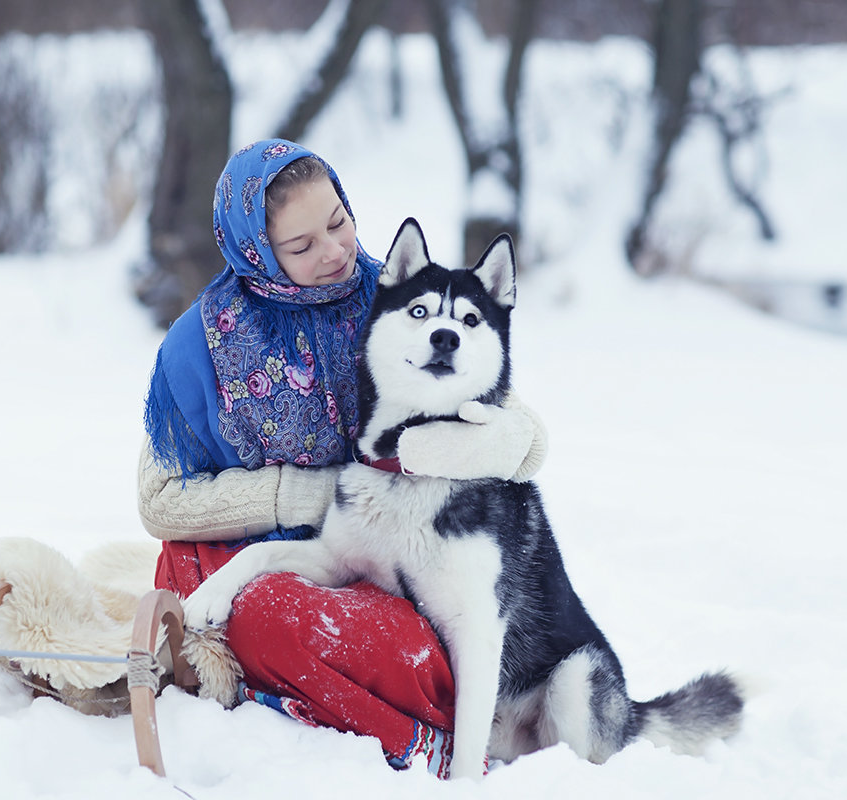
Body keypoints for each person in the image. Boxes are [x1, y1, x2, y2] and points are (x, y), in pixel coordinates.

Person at [138, 139, 546, 777]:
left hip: (380, 555)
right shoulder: (201, 346)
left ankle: (426, 730)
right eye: (301, 247)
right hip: (246, 549)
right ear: (256, 253)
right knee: (266, 614)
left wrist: (501, 441)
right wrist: (303, 494)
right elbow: (159, 501)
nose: (334, 252)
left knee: (413, 644)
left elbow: (515, 425)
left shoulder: (393, 299)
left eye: (339, 222)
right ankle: (385, 725)